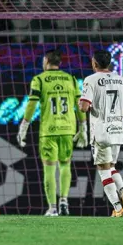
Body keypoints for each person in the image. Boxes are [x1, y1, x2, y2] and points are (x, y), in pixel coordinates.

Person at [16, 49, 86, 217]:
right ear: (59, 62)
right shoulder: (71, 79)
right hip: (68, 129)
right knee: (65, 165)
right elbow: (79, 104)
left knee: (49, 169)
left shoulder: (39, 79)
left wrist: (24, 126)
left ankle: (53, 208)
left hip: (48, 130)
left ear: (46, 61)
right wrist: (83, 126)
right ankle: (64, 201)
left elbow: (32, 104)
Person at [78, 49, 123, 218]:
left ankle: (117, 207)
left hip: (101, 132)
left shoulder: (91, 80)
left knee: (103, 170)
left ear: (94, 63)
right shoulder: (121, 79)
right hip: (117, 130)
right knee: (111, 167)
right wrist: (116, 114)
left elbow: (83, 107)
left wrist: (79, 102)